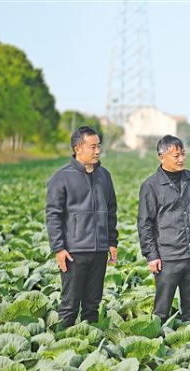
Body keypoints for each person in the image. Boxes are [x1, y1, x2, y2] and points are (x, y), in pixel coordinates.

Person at [45, 126, 118, 327]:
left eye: (99, 146)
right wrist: (58, 248)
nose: (97, 151)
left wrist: (112, 242)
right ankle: (61, 346)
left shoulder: (104, 175)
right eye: (92, 147)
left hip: (99, 251)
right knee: (69, 305)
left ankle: (91, 348)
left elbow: (111, 210)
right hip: (74, 252)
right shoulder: (61, 177)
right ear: (78, 148)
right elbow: (53, 215)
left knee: (92, 305)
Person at [138, 135, 190, 324]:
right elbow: (145, 223)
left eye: (183, 154)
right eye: (176, 156)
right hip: (167, 256)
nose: (182, 159)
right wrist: (151, 255)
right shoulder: (151, 185)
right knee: (162, 309)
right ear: (162, 157)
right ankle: (159, 345)